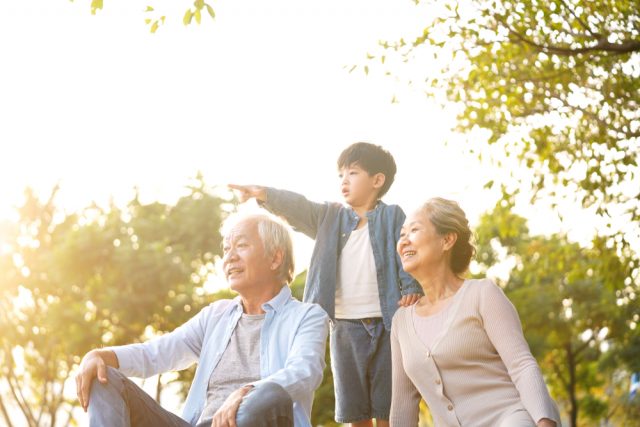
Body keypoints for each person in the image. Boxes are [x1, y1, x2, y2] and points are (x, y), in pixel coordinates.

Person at [229, 142, 422, 427]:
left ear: (377, 180)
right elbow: (299, 206)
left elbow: (406, 251)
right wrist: (265, 194)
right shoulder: (329, 217)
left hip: (387, 324)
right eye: (341, 175)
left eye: (353, 173)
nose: (344, 180)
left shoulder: (393, 216)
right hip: (344, 326)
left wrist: (411, 288)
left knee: (387, 407)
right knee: (355, 411)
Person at [75, 213, 329, 427]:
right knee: (103, 375)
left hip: (256, 418)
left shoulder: (306, 317)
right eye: (226, 249)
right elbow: (156, 353)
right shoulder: (215, 315)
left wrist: (247, 392)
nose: (229, 257)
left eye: (241, 246)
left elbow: (304, 372)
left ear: (275, 258)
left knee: (270, 395)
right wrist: (100, 355)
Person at [390, 197, 561, 427]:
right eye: (401, 235)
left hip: (511, 418)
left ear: (447, 240)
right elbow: (403, 403)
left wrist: (544, 422)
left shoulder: (482, 294)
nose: (404, 241)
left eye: (414, 230)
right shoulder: (401, 322)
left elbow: (522, 365)